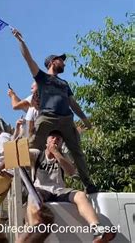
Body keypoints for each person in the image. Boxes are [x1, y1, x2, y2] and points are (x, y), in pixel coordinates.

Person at [11, 28, 98, 194]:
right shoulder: (42, 77)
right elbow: (29, 60)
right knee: (30, 147)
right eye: (61, 60)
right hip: (47, 117)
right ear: (52, 62)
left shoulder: (64, 84)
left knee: (77, 152)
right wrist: (21, 41)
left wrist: (85, 119)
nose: (64, 63)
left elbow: (73, 104)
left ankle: (88, 184)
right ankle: (24, 185)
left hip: (66, 119)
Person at [30, 130, 116, 243]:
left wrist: (56, 153)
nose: (55, 140)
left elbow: (71, 172)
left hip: (59, 191)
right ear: (47, 140)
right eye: (52, 137)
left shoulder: (63, 156)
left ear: (61, 144)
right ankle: (33, 235)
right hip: (41, 189)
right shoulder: (37, 154)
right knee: (33, 198)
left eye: (58, 139)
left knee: (80, 195)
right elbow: (19, 154)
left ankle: (98, 230)